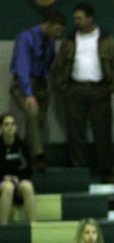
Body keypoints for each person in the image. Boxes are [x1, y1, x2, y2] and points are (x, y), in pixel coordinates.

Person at [51, 2, 114, 183]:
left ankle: (106, 172)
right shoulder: (70, 40)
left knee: (103, 132)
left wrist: (111, 87)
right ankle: (78, 172)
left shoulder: (106, 39)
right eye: (75, 18)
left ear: (90, 18)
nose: (77, 21)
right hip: (75, 88)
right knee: (75, 132)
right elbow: (59, 65)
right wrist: (62, 86)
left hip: (100, 89)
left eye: (80, 18)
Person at [9, 10, 65, 171]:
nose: (58, 34)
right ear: (47, 24)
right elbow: (22, 68)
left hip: (41, 83)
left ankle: (29, 156)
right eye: (57, 30)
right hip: (23, 83)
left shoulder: (50, 41)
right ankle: (38, 155)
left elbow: (48, 64)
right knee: (32, 113)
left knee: (39, 121)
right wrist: (28, 94)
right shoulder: (26, 38)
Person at [0, 114, 37, 225]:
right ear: (1, 127)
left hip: (18, 182)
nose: (10, 127)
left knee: (28, 186)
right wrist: (4, 177)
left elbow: (28, 170)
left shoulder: (23, 145)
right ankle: (3, 227)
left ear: (16, 127)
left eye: (12, 124)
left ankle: (33, 226)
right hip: (2, 183)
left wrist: (17, 178)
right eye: (6, 124)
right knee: (8, 187)